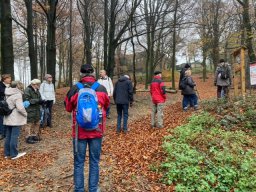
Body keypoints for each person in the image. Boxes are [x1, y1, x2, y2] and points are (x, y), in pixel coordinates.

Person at [65, 64, 109, 192]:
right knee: (94, 162)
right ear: (93, 74)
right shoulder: (101, 88)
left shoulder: (75, 89)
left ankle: (79, 189)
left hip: (79, 132)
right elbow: (106, 105)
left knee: (79, 162)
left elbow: (68, 108)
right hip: (97, 130)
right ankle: (93, 189)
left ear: (81, 74)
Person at [4, 81, 27, 159]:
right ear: (18, 86)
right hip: (15, 118)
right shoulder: (17, 94)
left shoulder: (7, 93)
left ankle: (7, 154)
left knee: (8, 136)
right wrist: (26, 114)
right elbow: (20, 108)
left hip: (7, 117)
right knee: (14, 136)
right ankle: (14, 154)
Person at [24, 79, 42, 144]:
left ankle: (34, 136)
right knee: (29, 124)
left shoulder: (37, 90)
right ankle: (27, 137)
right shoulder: (27, 90)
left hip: (37, 109)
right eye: (38, 84)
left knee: (37, 122)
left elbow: (39, 98)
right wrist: (38, 101)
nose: (39, 86)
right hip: (30, 110)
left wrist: (42, 101)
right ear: (34, 84)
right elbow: (27, 100)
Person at [0, 74, 12, 140]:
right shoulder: (1, 85)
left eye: (10, 78)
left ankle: (7, 132)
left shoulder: (10, 85)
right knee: (1, 119)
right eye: (9, 78)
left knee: (7, 118)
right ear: (4, 79)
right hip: (2, 104)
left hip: (8, 104)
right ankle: (2, 133)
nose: (10, 79)